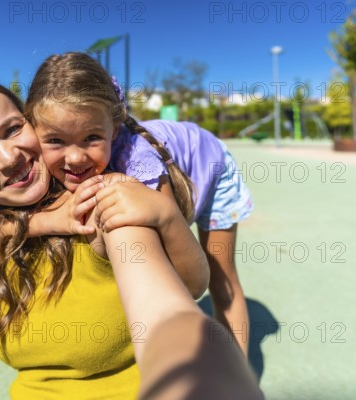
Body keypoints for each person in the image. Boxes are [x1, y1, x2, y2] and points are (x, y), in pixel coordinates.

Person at [0, 81, 212, 399]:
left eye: (12, 129)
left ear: (35, 121)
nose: (7, 157)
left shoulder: (100, 202)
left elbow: (164, 317)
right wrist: (46, 221)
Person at [21, 52, 254, 354]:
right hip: (179, 151)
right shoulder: (27, 161)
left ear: (113, 130)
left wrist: (166, 214)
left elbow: (190, 284)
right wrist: (44, 221)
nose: (75, 158)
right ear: (33, 131)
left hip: (211, 164)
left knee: (222, 284)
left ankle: (242, 381)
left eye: (91, 138)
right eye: (55, 141)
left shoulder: (138, 164)